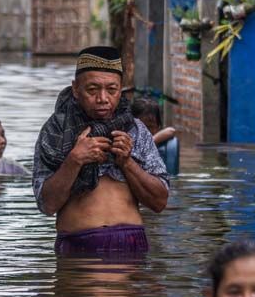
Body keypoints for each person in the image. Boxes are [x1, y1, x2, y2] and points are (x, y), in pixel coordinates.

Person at [32, 46, 169, 256]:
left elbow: (159, 202)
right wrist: (74, 160)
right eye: (92, 89)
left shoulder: (136, 130)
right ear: (75, 89)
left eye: (111, 90)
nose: (103, 98)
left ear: (121, 89)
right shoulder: (55, 131)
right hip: (77, 248)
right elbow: (47, 205)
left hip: (131, 245)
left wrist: (127, 163)